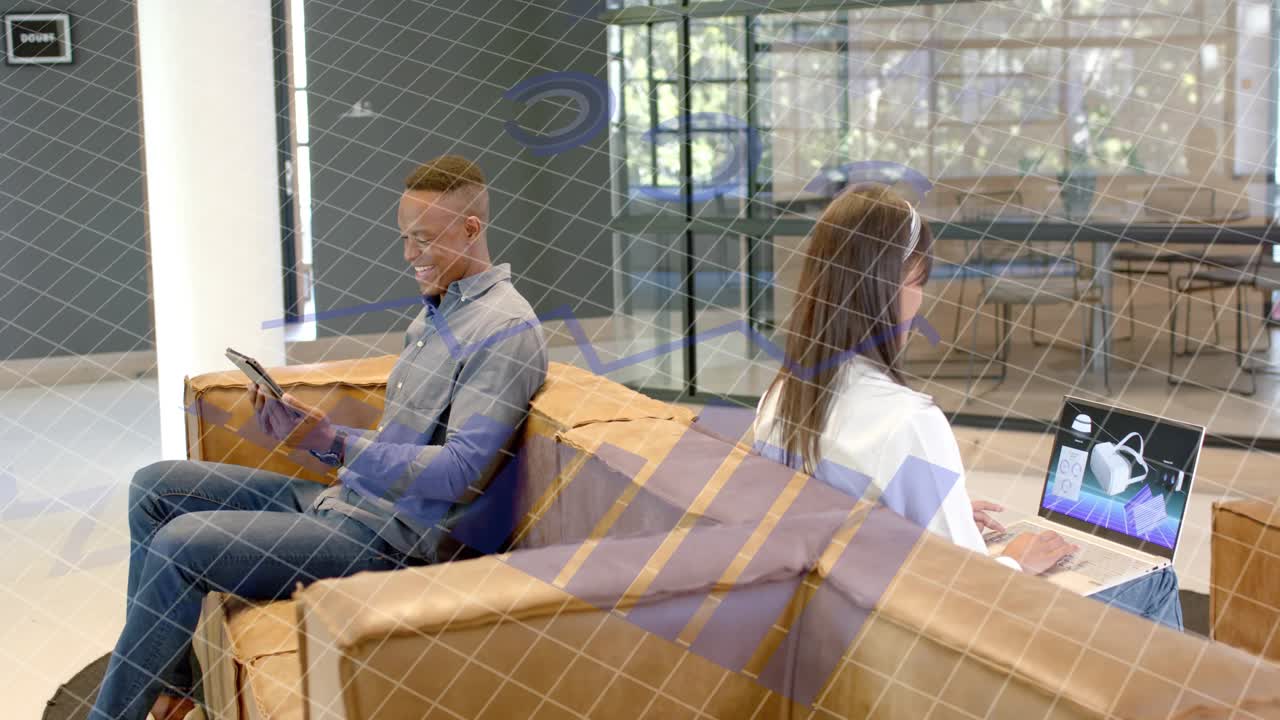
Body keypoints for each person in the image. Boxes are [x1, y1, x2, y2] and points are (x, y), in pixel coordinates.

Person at [92, 155, 549, 720]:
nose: (409, 255)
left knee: (182, 543)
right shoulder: (432, 318)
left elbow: (459, 473)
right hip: (348, 502)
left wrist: (336, 443)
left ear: (471, 229)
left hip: (393, 544)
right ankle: (174, 689)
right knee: (156, 487)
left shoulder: (502, 330)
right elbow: (401, 442)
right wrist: (310, 436)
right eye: (405, 238)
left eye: (423, 239)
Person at [751, 184, 1182, 629]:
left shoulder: (779, 399)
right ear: (888, 289)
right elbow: (968, 594)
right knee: (1157, 581)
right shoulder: (909, 422)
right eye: (917, 283)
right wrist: (1016, 562)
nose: (920, 301)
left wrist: (942, 510)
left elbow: (839, 523)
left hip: (835, 624)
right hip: (925, 641)